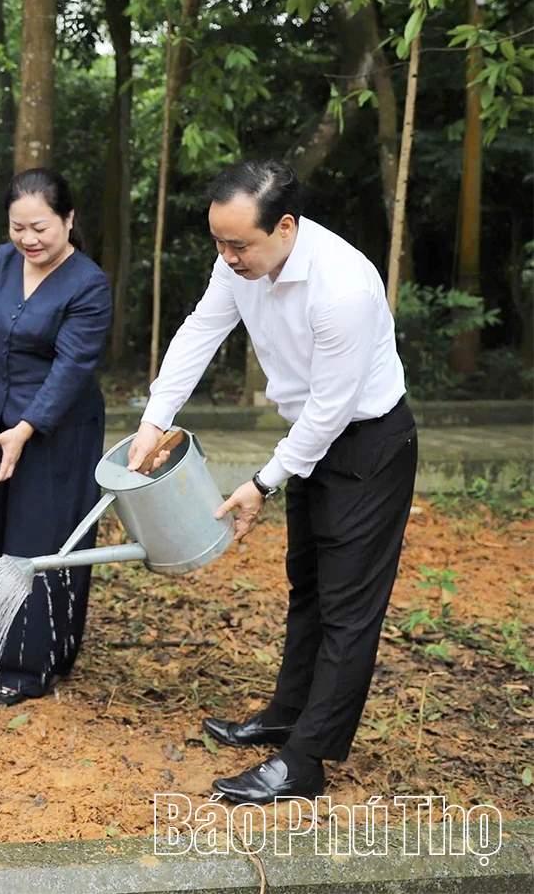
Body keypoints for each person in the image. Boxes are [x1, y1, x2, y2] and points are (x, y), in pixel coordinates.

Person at [130, 159, 416, 805]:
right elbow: (201, 330)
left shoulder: (343, 287)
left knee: (348, 607)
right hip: (312, 437)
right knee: (307, 584)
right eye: (218, 242)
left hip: (368, 445)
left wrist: (263, 481)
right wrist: (154, 420)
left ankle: (305, 761)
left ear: (285, 226)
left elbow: (331, 410)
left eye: (239, 245)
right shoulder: (238, 264)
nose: (227, 257)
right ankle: (287, 714)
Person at [0, 168, 111, 706]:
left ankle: (30, 664)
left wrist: (27, 429)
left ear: (69, 220)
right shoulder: (1, 261)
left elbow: (71, 369)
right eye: (17, 227)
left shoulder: (89, 284)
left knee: (39, 540)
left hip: (57, 431)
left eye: (40, 228)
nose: (28, 239)